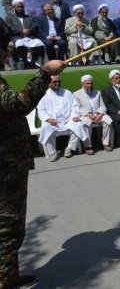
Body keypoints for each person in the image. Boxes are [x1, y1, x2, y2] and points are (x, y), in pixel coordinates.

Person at [0, 17, 66, 289]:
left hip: (8, 164)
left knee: (10, 227)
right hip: (5, 167)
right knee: (8, 226)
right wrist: (44, 72)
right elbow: (16, 105)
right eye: (3, 48)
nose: (7, 53)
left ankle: (8, 274)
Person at [37, 75, 89, 162]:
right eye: (54, 82)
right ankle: (53, 152)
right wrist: (48, 119)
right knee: (46, 127)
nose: (57, 83)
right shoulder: (44, 94)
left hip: (68, 120)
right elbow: (41, 110)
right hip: (53, 121)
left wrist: (74, 116)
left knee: (78, 125)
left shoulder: (67, 93)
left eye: (59, 82)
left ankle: (70, 148)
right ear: (49, 83)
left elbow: (74, 106)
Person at [73, 75, 113, 153]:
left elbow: (102, 105)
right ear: (82, 84)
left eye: (91, 83)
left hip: (98, 114)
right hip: (86, 115)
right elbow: (79, 107)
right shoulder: (76, 94)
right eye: (87, 84)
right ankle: (87, 146)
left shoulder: (97, 92)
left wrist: (100, 114)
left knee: (108, 121)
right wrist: (88, 114)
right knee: (86, 123)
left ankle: (105, 143)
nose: (90, 85)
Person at [5, 0, 45, 69]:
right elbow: (9, 27)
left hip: (29, 36)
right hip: (17, 37)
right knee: (19, 44)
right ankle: (25, 61)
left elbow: (35, 26)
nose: (20, 8)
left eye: (22, 7)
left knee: (40, 43)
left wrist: (29, 31)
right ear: (14, 7)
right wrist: (21, 31)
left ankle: (33, 61)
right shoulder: (9, 17)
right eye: (18, 7)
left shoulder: (29, 17)